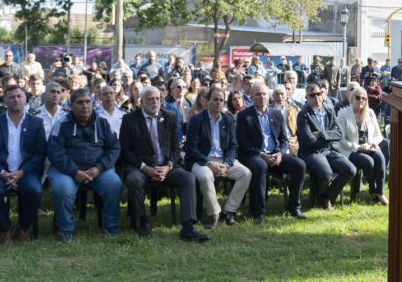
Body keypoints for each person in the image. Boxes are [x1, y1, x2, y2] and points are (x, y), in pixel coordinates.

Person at [119, 86, 208, 241]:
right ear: (142, 101)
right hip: (140, 167)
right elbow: (125, 151)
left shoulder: (169, 117)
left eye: (157, 98)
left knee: (188, 178)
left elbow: (175, 148)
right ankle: (142, 221)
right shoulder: (129, 119)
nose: (154, 102)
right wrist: (145, 168)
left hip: (165, 166)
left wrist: (168, 166)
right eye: (150, 99)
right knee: (134, 180)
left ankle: (188, 227)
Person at [48, 88, 122, 242]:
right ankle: (66, 230)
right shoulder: (61, 124)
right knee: (62, 189)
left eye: (88, 102)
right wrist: (75, 172)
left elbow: (114, 147)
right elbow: (55, 152)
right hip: (67, 171)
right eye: (80, 102)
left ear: (93, 104)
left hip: (98, 170)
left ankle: (111, 226)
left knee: (114, 184)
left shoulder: (102, 123)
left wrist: (99, 168)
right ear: (71, 106)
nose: (85, 106)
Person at [0, 85, 46, 243]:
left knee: (34, 190)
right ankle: (5, 228)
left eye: (19, 96)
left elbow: (40, 154)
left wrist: (22, 172)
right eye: (11, 97)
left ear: (25, 99)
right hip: (0, 172)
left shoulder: (36, 123)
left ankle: (24, 228)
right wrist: (2, 173)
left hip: (26, 172)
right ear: (4, 101)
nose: (16, 99)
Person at [236, 83, 306, 222]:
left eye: (264, 94)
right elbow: (242, 142)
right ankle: (258, 212)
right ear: (252, 96)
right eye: (258, 94)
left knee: (300, 165)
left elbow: (284, 139)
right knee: (260, 166)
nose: (261, 97)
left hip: (275, 154)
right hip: (254, 155)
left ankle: (293, 207)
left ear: (269, 96)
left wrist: (279, 153)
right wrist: (262, 154)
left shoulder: (276, 113)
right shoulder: (244, 116)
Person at [185, 87, 252, 229]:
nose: (218, 103)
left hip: (223, 160)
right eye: (215, 99)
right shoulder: (197, 120)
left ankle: (229, 211)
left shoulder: (228, 120)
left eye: (221, 100)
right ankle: (214, 214)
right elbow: (191, 148)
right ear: (207, 101)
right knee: (205, 177)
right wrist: (209, 163)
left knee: (245, 173)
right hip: (201, 160)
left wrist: (227, 164)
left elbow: (233, 146)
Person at [297, 82, 356, 210]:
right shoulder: (303, 114)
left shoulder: (329, 110)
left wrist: (321, 134)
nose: (316, 97)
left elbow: (339, 134)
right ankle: (325, 201)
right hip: (311, 152)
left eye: (318, 93)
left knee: (350, 170)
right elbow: (308, 139)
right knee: (326, 173)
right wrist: (329, 135)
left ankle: (325, 196)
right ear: (306, 98)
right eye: (312, 95)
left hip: (328, 150)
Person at [337, 86, 388, 205]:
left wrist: (372, 143)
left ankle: (379, 192)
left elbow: (378, 135)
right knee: (368, 162)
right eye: (358, 98)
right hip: (351, 149)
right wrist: (357, 147)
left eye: (364, 98)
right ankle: (373, 188)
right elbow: (341, 139)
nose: (361, 100)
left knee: (380, 158)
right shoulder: (343, 114)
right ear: (352, 98)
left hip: (369, 146)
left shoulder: (369, 113)